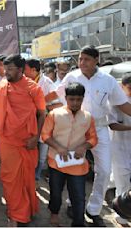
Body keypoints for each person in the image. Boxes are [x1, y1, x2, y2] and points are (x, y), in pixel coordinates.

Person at [53, 45, 131, 226]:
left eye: (86, 59)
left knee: (104, 170)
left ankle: (94, 209)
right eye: (80, 59)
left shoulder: (108, 80)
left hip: (101, 128)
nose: (82, 63)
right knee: (73, 168)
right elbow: (58, 100)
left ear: (97, 60)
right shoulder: (72, 77)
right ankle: (73, 204)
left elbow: (122, 104)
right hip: (76, 129)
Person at [0, 54, 46, 226]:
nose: (6, 72)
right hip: (8, 142)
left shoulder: (33, 89)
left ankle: (27, 209)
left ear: (20, 69)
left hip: (28, 142)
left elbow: (42, 113)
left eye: (10, 69)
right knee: (10, 179)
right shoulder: (1, 87)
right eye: (5, 68)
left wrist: (36, 137)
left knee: (26, 178)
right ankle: (15, 214)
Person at [41, 82, 98, 226]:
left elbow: (93, 138)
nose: (75, 103)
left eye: (79, 99)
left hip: (77, 165)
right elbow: (45, 135)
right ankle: (54, 213)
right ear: (66, 98)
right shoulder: (55, 114)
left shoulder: (88, 117)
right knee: (55, 193)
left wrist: (84, 146)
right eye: (72, 99)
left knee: (79, 197)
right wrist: (59, 148)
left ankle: (78, 223)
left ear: (83, 99)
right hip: (56, 162)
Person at [24, 59, 57, 181]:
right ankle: (29, 175)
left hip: (44, 120)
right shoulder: (25, 81)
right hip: (29, 121)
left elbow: (59, 103)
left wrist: (42, 106)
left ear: (33, 70)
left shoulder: (47, 83)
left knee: (42, 152)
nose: (23, 72)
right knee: (30, 149)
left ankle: (36, 177)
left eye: (25, 69)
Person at [108, 73, 131, 226]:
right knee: (122, 180)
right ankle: (122, 216)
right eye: (130, 88)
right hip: (118, 147)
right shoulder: (114, 102)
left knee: (121, 179)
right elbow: (112, 124)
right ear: (121, 86)